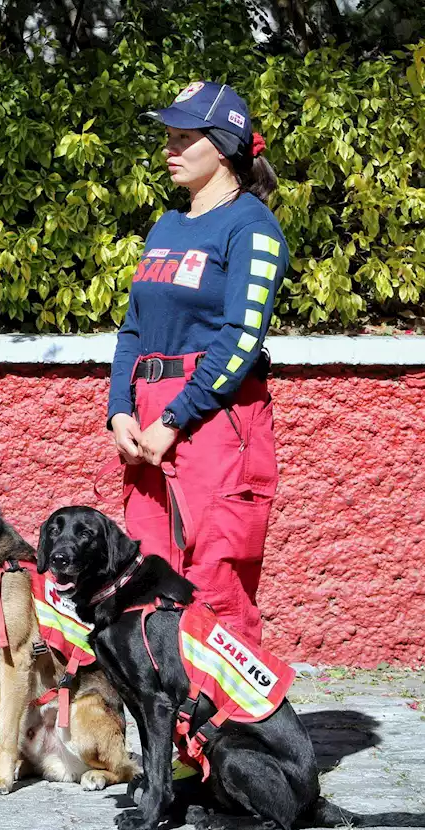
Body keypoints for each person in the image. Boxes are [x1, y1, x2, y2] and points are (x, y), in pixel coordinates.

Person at [107, 81, 289, 646]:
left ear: (224, 146)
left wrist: (174, 419)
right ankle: (175, 730)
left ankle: (231, 731)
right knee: (151, 582)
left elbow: (240, 339)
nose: (171, 148)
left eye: (186, 137)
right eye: (169, 136)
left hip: (214, 422)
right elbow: (133, 328)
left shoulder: (253, 228)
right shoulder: (166, 227)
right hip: (148, 422)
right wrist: (119, 412)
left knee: (215, 587)